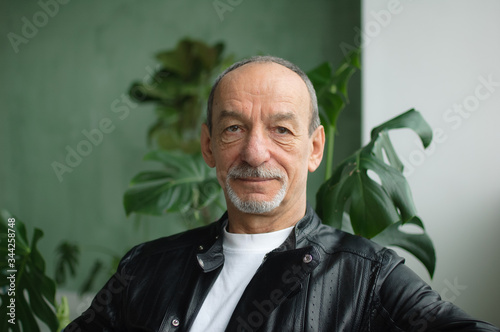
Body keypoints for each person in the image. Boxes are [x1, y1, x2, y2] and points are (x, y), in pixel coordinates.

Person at [66, 56, 499, 332]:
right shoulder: (146, 266)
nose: (255, 152)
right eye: (234, 128)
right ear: (209, 146)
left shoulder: (367, 276)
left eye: (281, 129)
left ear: (313, 149)